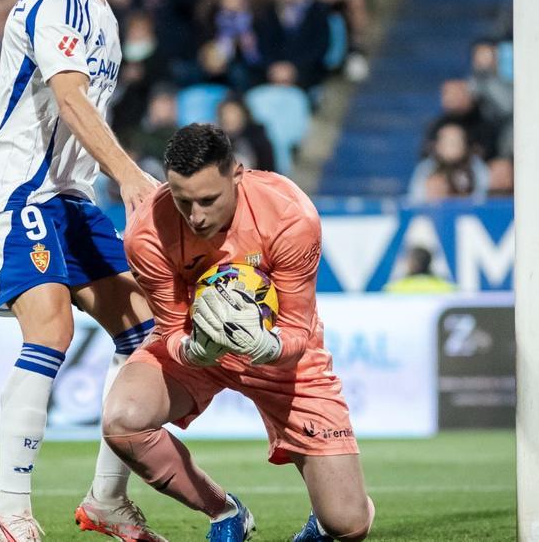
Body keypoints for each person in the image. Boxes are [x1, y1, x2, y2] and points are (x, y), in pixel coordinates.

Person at [0, 0, 164, 542]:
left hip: (70, 196)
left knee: (145, 331)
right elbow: (72, 99)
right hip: (17, 190)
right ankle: (8, 506)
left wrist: (110, 180)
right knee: (50, 329)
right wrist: (131, 175)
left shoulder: (104, 15)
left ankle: (106, 499)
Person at [104, 124, 374, 542]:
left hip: (282, 357)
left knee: (349, 524)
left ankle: (325, 521)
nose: (195, 216)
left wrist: (269, 346)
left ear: (237, 174)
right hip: (199, 349)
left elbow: (298, 329)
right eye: (182, 201)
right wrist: (192, 350)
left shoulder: (290, 215)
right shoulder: (147, 233)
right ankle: (225, 512)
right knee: (123, 421)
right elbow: (171, 327)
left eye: (208, 200)